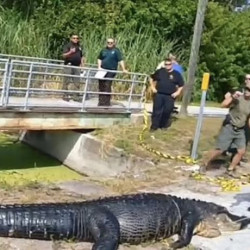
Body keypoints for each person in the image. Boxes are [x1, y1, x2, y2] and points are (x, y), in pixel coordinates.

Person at [202, 82, 250, 175]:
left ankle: (230, 170)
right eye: (246, 89)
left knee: (241, 151)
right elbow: (223, 105)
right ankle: (205, 164)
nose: (247, 91)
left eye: (249, 90)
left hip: (240, 129)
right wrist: (232, 97)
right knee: (220, 149)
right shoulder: (238, 98)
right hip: (229, 126)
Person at [150, 57, 184, 131]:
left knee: (167, 111)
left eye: (169, 64)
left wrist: (177, 92)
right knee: (156, 111)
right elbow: (152, 78)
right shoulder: (160, 71)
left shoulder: (176, 74)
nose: (167, 66)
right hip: (159, 94)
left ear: (172, 64)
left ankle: (163, 126)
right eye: (166, 64)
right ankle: (154, 127)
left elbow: (181, 85)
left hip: (170, 96)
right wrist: (153, 88)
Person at [97, 38, 128, 106]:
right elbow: (99, 58)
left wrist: (123, 69)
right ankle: (101, 102)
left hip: (111, 70)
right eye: (108, 42)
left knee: (107, 85)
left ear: (114, 43)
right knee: (101, 86)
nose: (109, 44)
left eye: (111, 43)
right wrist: (99, 67)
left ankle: (106, 102)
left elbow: (120, 60)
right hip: (102, 70)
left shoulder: (116, 51)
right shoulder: (103, 50)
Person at [62, 34, 85, 101]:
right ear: (71, 39)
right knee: (66, 81)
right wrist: (70, 52)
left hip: (77, 66)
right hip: (69, 65)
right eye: (74, 38)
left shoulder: (80, 46)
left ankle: (76, 96)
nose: (75, 39)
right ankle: (65, 95)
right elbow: (63, 56)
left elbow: (82, 57)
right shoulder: (68, 45)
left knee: (77, 82)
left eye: (77, 38)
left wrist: (83, 66)